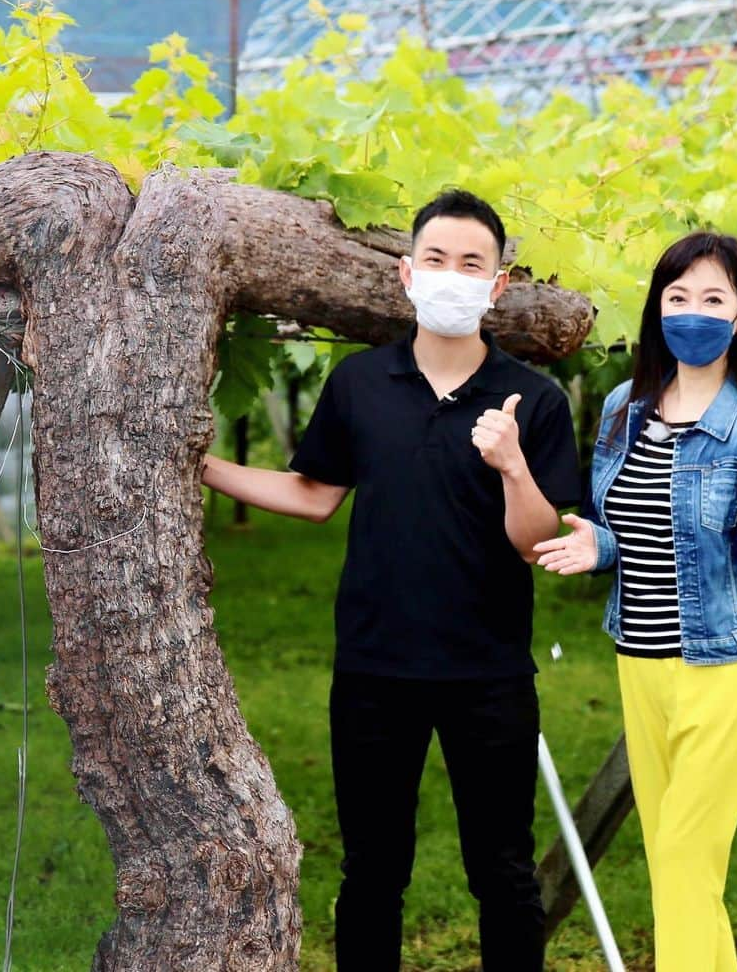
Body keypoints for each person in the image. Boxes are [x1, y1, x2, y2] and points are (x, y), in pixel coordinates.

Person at [198, 189, 581, 972]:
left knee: (503, 874)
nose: (451, 275)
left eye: (471, 263)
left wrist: (511, 464)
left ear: (498, 284)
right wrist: (199, 464)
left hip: (490, 675)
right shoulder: (360, 386)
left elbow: (535, 545)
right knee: (372, 871)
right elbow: (313, 495)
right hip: (374, 669)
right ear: (407, 274)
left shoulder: (534, 401)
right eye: (436, 259)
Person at [533, 231, 737, 972]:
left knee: (684, 855)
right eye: (677, 297)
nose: (692, 312)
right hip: (639, 663)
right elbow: (627, 527)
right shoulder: (624, 408)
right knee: (681, 868)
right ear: (657, 308)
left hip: (727, 668)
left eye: (712, 299)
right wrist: (599, 548)